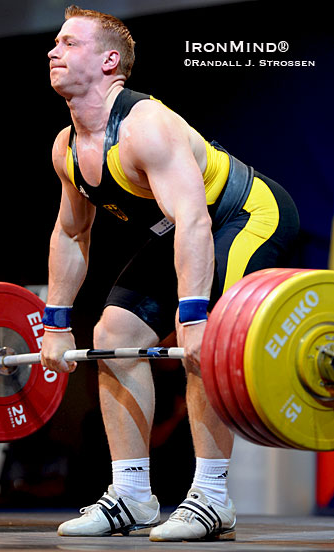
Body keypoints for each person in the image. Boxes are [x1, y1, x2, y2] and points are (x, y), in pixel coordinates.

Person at [40, 5, 300, 542]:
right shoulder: (66, 148)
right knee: (113, 335)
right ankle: (132, 496)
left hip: (246, 214)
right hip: (185, 226)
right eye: (55, 43)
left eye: (69, 43)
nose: (53, 51)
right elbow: (71, 234)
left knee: (202, 341)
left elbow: (194, 220)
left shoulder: (146, 127)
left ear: (110, 61)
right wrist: (56, 321)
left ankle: (211, 497)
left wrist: (197, 314)